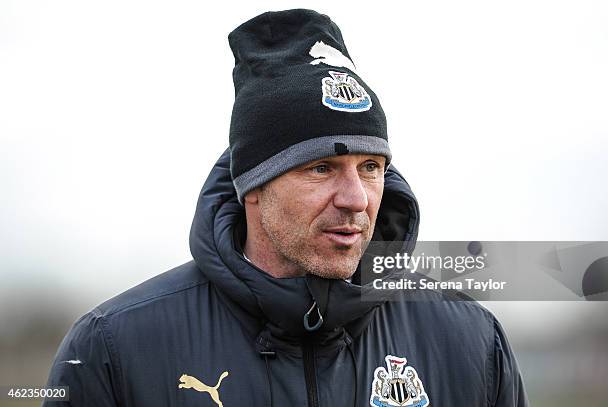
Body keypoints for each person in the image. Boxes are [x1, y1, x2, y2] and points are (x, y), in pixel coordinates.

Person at [44, 9, 528, 407]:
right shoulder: (114, 349)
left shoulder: (470, 342)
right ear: (253, 185)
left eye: (371, 166)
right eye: (321, 168)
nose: (356, 198)